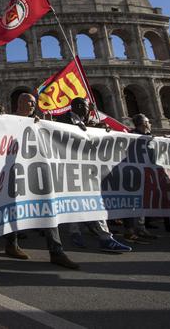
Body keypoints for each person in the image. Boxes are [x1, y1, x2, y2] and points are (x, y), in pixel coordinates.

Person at [6, 92, 80, 270]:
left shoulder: (37, 122)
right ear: (19, 103)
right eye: (29, 102)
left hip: (36, 171)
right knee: (12, 209)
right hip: (15, 172)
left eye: (34, 103)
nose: (33, 105)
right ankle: (11, 244)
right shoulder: (7, 120)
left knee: (48, 207)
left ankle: (56, 251)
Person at [55, 98, 132, 253]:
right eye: (85, 106)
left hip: (90, 169)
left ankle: (103, 237)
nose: (88, 108)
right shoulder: (62, 120)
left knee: (93, 202)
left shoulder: (91, 121)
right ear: (76, 106)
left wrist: (102, 131)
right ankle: (79, 233)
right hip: (70, 168)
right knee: (76, 201)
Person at [122, 114, 158, 243]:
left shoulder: (150, 137)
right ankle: (129, 230)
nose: (150, 124)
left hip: (145, 172)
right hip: (132, 173)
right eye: (148, 122)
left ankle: (140, 228)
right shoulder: (131, 136)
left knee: (142, 202)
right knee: (130, 203)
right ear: (143, 123)